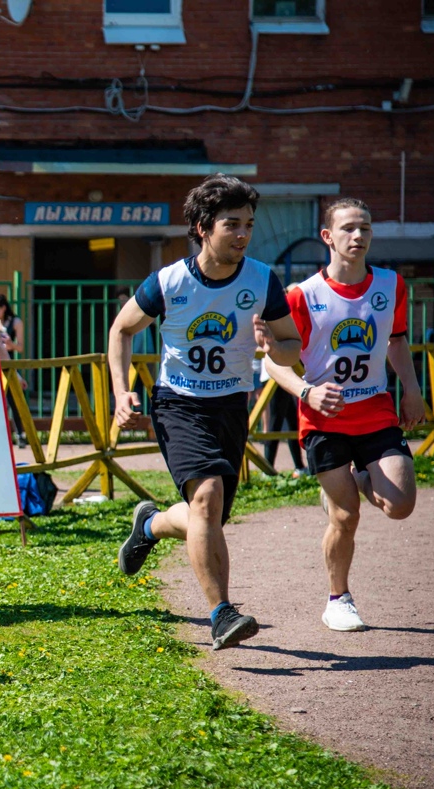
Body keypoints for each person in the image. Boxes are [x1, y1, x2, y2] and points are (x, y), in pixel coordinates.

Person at [109, 174, 303, 651]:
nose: (242, 235)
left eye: (249, 225)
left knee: (208, 516)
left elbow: (292, 347)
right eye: (231, 224)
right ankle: (222, 614)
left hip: (230, 406)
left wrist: (272, 345)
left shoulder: (261, 279)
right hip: (178, 404)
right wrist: (121, 393)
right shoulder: (170, 281)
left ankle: (150, 524)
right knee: (207, 499)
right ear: (202, 227)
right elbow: (120, 330)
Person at [262, 199, 423, 631]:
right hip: (324, 421)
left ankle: (361, 477)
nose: (358, 236)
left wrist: (411, 388)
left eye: (365, 229)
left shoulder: (391, 285)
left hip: (375, 412)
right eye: (349, 228)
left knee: (401, 506)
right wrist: (306, 392)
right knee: (345, 517)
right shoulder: (300, 296)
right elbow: (273, 362)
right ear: (327, 237)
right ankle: (339, 598)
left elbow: (396, 340)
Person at [0, 294, 29, 448]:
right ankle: (0, 436)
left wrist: (10, 344)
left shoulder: (15, 322)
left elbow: (20, 348)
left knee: (14, 400)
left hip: (10, 362)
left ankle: (20, 435)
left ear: (4, 308)